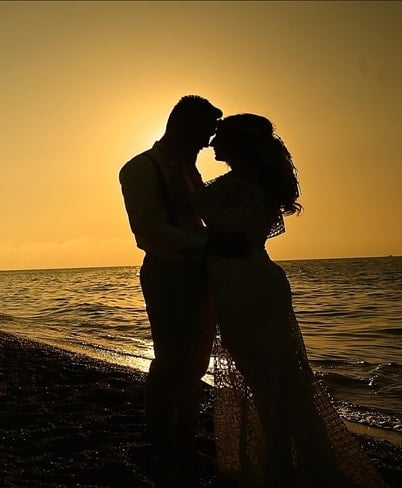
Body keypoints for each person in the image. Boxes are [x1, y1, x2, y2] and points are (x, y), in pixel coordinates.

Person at [198, 113, 386, 486]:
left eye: (220, 137)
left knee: (267, 380)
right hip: (258, 284)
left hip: (245, 289)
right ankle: (288, 460)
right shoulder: (259, 185)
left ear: (239, 144)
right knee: (281, 379)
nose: (212, 143)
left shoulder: (234, 188)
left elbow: (200, 214)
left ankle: (278, 462)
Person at [119, 95, 247, 485]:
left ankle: (185, 441)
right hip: (168, 274)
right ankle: (162, 444)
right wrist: (209, 243)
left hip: (201, 276)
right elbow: (147, 230)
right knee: (170, 362)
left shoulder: (190, 170)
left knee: (195, 365)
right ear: (183, 125)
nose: (209, 142)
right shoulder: (140, 168)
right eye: (205, 132)